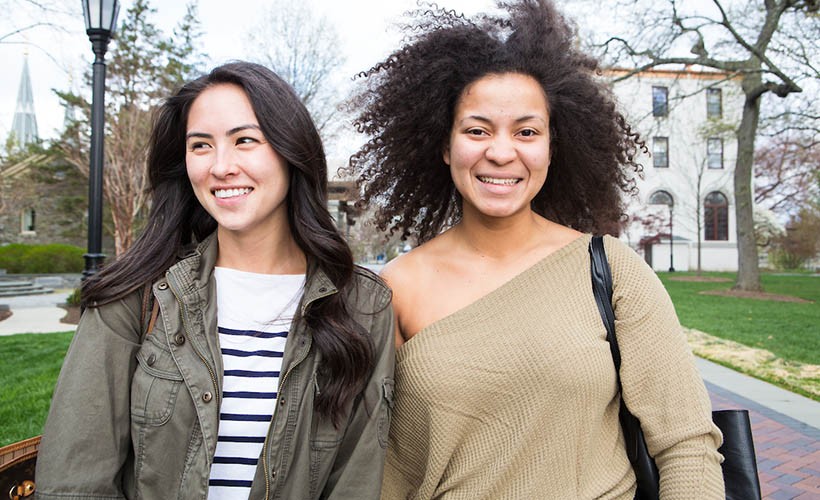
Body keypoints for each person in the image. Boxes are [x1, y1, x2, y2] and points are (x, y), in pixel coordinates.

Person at [347, 1, 724, 498]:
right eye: (477, 130)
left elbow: (686, 446)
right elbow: (378, 468)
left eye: (527, 132)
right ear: (445, 146)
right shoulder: (394, 290)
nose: (501, 152)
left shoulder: (610, 270)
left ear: (551, 146)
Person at [36, 62, 394, 500]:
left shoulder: (361, 305)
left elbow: (356, 482)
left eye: (245, 140)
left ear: (290, 150)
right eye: (201, 145)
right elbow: (74, 483)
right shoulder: (137, 297)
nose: (221, 167)